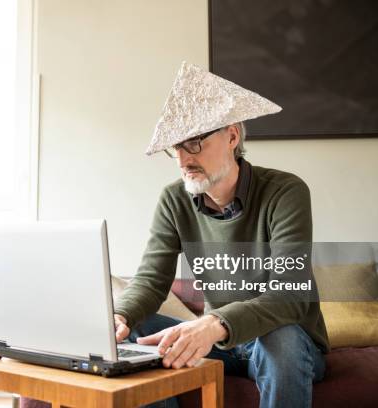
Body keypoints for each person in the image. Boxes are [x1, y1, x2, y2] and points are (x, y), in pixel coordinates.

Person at [113, 62, 329, 408]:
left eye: (194, 143)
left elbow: (290, 295)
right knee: (134, 333)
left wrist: (214, 323)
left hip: (286, 340)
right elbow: (152, 280)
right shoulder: (174, 200)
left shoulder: (285, 191)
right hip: (222, 342)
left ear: (232, 136)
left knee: (281, 340)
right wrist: (119, 316)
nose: (184, 159)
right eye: (176, 148)